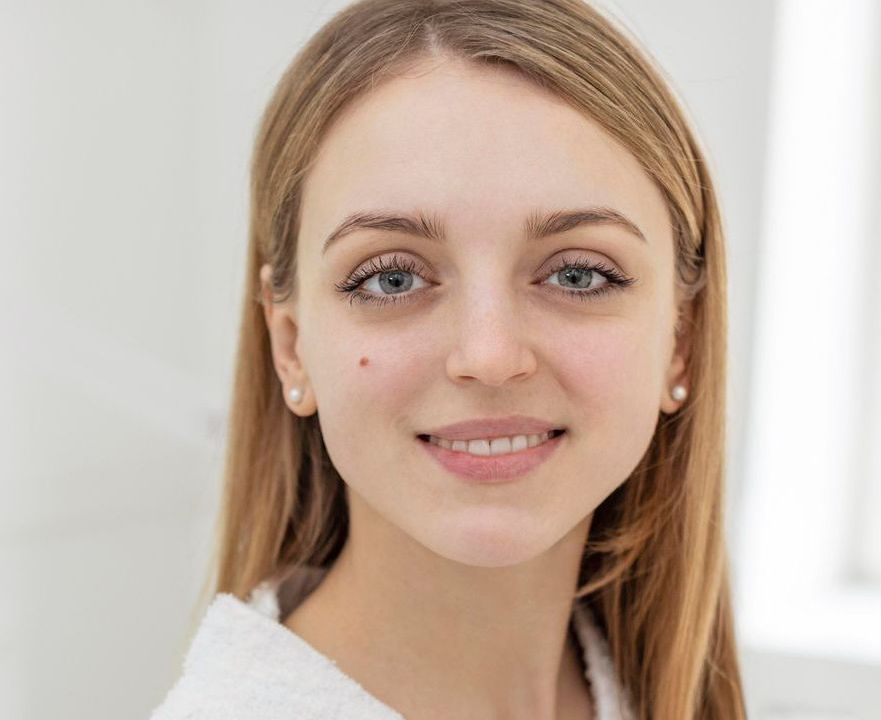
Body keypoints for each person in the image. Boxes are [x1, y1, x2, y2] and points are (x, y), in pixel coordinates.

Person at [150, 0, 745, 718]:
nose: (490, 357)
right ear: (290, 347)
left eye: (578, 274)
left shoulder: (637, 688)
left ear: (680, 338)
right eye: (391, 279)